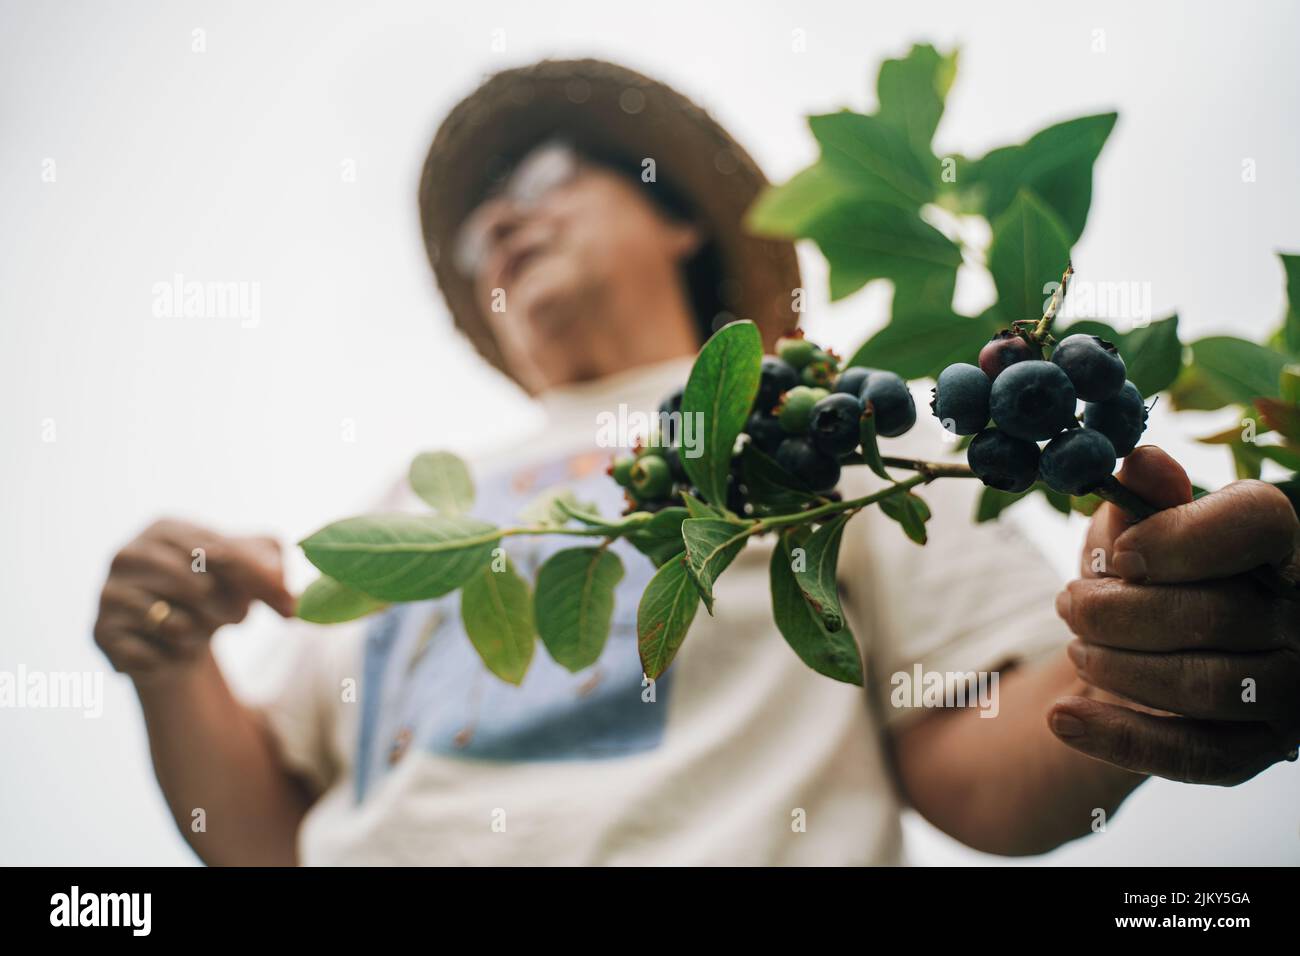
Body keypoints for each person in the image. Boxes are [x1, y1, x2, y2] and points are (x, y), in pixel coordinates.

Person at [92, 59, 1300, 866]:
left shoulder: (835, 430)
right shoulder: (414, 508)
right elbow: (268, 830)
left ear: (677, 216)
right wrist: (173, 658)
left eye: (545, 180)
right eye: (478, 231)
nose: (503, 223)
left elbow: (977, 762)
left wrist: (1148, 649)